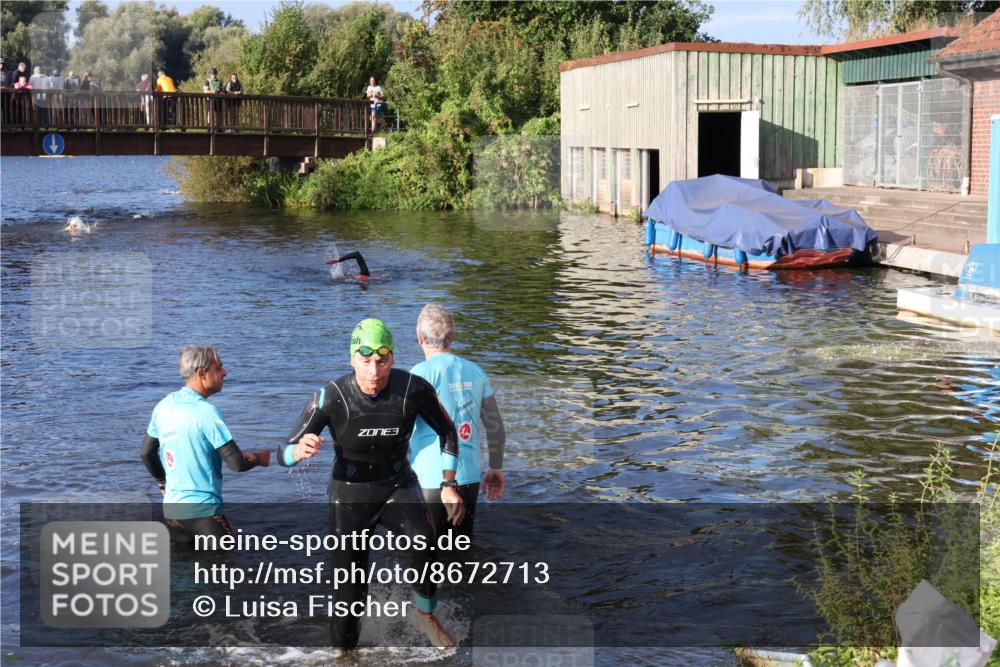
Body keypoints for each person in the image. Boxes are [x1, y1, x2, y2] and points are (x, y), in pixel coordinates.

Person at [280, 318, 462, 650]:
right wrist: (298, 450)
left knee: (425, 539)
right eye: (366, 361)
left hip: (397, 485)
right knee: (349, 599)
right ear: (352, 359)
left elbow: (447, 431)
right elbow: (284, 451)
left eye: (382, 361)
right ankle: (345, 656)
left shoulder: (413, 389)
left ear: (392, 358)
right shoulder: (330, 397)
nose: (374, 371)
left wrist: (448, 483)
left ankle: (425, 614)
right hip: (349, 498)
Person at [140, 345, 271, 543]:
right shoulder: (206, 412)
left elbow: (146, 453)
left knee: (185, 572)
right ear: (201, 373)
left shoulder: (164, 406)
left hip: (172, 513)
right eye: (219, 368)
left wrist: (163, 483)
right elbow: (237, 463)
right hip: (204, 514)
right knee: (226, 572)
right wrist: (260, 458)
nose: (225, 373)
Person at [409, 304, 505, 540]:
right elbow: (495, 425)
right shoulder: (475, 371)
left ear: (419, 338)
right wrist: (495, 467)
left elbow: (402, 428)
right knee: (461, 549)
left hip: (430, 479)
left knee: (425, 554)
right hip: (469, 476)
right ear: (454, 336)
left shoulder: (419, 373)